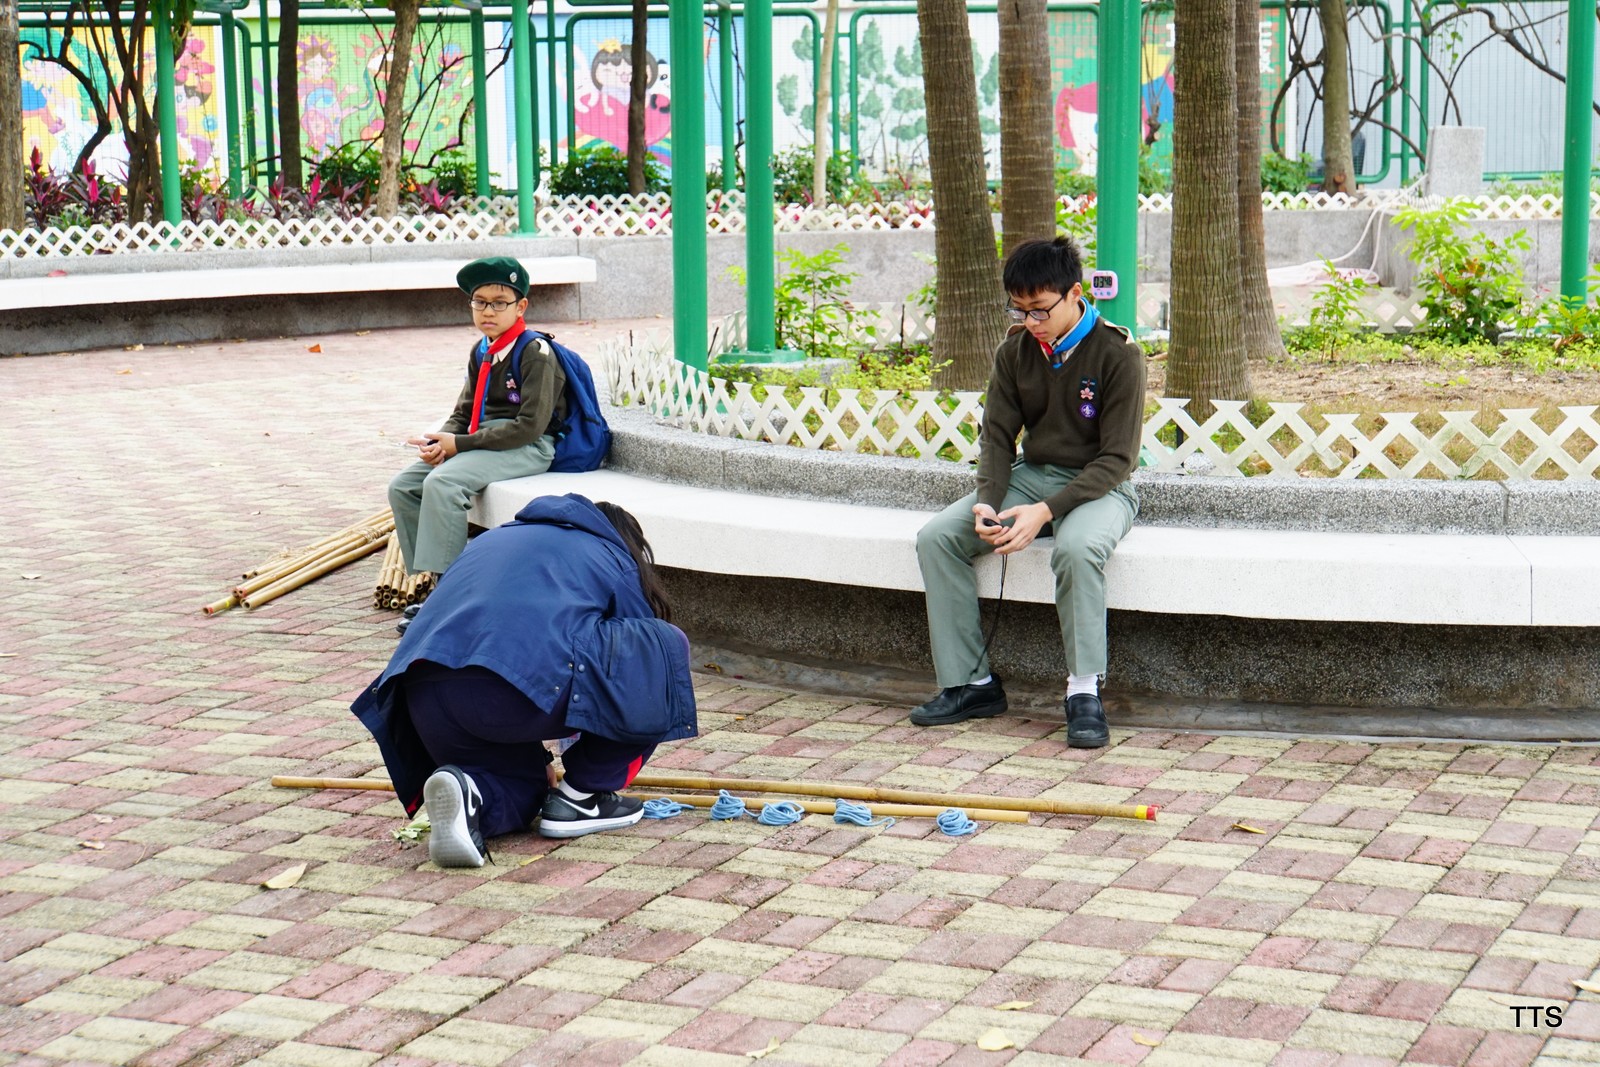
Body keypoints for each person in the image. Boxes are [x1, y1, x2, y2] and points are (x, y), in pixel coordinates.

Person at [351, 495, 697, 867]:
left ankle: (470, 793)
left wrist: (541, 757)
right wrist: (587, 764)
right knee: (661, 648)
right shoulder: (610, 553)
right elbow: (636, 664)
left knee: (525, 789)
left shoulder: (490, 540)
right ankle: (582, 798)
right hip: (505, 695)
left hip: (423, 697)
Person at [909, 236, 1145, 748]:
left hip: (1102, 487)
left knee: (1077, 549)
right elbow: (996, 437)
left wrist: (1045, 512)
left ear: (1075, 293)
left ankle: (1083, 693)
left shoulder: (1118, 354)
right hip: (1032, 475)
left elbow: (1117, 459)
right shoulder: (1015, 350)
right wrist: (988, 502)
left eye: (1039, 309)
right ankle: (971, 684)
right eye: (1019, 310)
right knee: (937, 538)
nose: (1030, 321)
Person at [388, 257, 567, 599]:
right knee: (404, 487)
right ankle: (434, 581)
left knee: (443, 483)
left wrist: (460, 444)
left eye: (499, 303)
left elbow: (530, 427)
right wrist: (439, 441)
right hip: (483, 439)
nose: (488, 311)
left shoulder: (535, 352)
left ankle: (452, 595)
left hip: (527, 446)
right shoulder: (482, 350)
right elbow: (464, 411)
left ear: (521, 307)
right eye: (480, 302)